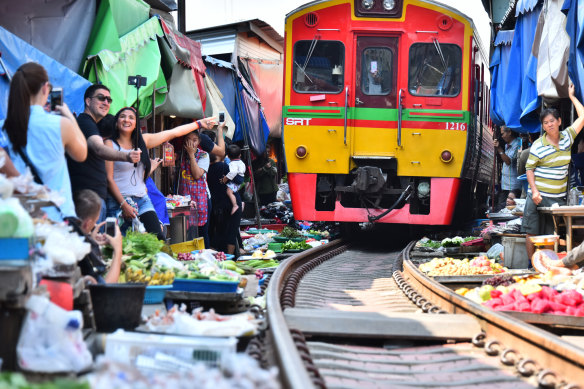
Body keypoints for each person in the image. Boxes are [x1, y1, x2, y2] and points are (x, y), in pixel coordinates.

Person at [105, 107, 216, 241]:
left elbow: (173, 133)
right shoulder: (109, 144)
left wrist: (199, 123)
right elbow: (108, 179)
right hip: (118, 200)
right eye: (123, 116)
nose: (126, 120)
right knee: (116, 244)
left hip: (142, 199)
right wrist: (123, 204)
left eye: (131, 117)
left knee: (158, 239)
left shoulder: (143, 140)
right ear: (117, 121)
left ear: (136, 124)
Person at [2, 62, 87, 220]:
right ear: (45, 88)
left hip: (18, 219)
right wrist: (69, 116)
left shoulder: (3, 127)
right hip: (56, 219)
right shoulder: (60, 124)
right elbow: (82, 154)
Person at [523, 84, 584, 259]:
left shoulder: (567, 137)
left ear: (559, 122)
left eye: (552, 121)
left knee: (552, 237)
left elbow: (583, 116)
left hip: (557, 199)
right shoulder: (538, 145)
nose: (549, 125)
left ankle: (549, 267)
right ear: (543, 126)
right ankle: (532, 267)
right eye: (545, 122)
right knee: (531, 233)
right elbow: (529, 169)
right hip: (537, 196)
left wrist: (572, 97)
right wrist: (534, 190)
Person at [67, 84, 141, 224]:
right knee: (89, 242)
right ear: (88, 101)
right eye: (101, 98)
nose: (106, 102)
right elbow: (99, 149)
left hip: (93, 198)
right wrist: (126, 156)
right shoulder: (85, 123)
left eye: (109, 100)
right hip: (88, 199)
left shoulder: (91, 124)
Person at [72, 189, 122, 284]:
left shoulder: (66, 232)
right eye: (95, 222)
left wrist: (91, 239)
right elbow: (105, 287)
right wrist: (118, 250)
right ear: (87, 224)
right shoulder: (79, 253)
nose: (95, 225)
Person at [178, 130, 211, 247]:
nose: (191, 143)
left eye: (194, 140)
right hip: (185, 198)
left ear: (199, 142)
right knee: (186, 233)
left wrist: (192, 155)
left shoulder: (204, 155)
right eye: (188, 140)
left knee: (201, 233)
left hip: (201, 199)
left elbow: (197, 175)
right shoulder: (180, 155)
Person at [207, 153, 242, 254]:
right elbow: (238, 180)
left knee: (217, 233)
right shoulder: (224, 166)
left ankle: (215, 258)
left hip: (215, 204)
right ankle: (230, 258)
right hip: (230, 203)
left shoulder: (206, 169)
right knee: (232, 231)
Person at [494, 127, 522, 210]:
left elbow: (508, 161)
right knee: (501, 208)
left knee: (511, 209)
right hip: (505, 185)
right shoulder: (507, 145)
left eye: (503, 134)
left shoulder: (517, 144)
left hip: (513, 186)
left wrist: (499, 148)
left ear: (509, 132)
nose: (502, 136)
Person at [221, 144, 245, 215]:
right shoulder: (241, 162)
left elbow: (233, 172)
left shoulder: (232, 164)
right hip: (240, 178)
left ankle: (235, 205)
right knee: (233, 190)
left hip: (236, 179)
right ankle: (240, 203)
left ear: (228, 156)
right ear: (240, 155)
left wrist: (225, 178)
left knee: (229, 192)